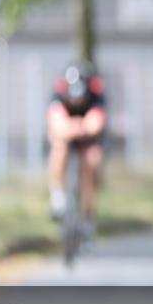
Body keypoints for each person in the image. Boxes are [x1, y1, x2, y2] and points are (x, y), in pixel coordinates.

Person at [47, 60, 106, 241]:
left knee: (91, 162)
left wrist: (85, 127)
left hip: (88, 137)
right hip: (68, 132)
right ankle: (58, 194)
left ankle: (88, 218)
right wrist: (68, 128)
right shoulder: (59, 91)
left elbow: (97, 120)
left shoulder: (96, 91)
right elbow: (55, 119)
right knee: (59, 149)